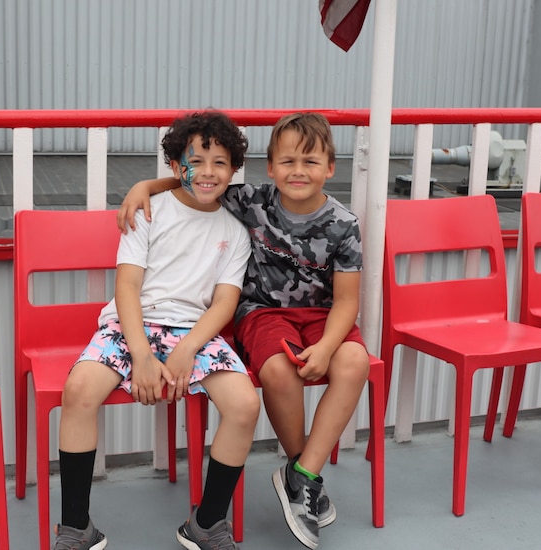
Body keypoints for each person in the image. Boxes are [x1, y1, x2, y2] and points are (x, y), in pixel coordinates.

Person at [119, 112, 370, 550]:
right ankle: (301, 473)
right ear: (269, 167)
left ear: (331, 167)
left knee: (354, 362)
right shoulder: (252, 199)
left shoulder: (343, 224)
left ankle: (303, 473)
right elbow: (195, 180)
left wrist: (330, 346)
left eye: (310, 162)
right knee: (276, 371)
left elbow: (347, 300)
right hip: (262, 313)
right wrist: (145, 186)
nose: (298, 171)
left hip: (322, 316)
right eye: (287, 161)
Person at [53, 110, 260, 550]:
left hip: (194, 330)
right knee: (78, 391)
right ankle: (76, 528)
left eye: (220, 162)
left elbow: (224, 302)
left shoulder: (236, 232)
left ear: (233, 170)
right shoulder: (147, 211)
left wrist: (186, 349)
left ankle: (206, 523)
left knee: (244, 404)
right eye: (196, 161)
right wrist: (142, 354)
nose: (207, 172)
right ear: (174, 166)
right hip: (133, 324)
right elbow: (127, 286)